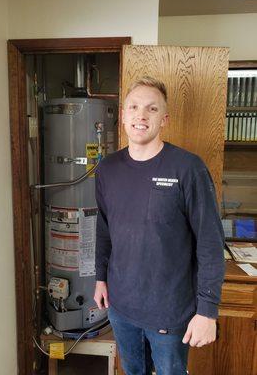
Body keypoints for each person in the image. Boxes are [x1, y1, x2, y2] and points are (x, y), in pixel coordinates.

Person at [94, 76, 225, 375]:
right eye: (135, 107)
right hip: (121, 306)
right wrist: (100, 278)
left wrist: (207, 310)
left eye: (152, 109)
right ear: (124, 115)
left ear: (164, 119)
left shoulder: (188, 168)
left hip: (169, 310)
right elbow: (104, 228)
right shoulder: (108, 169)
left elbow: (210, 243)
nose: (141, 115)